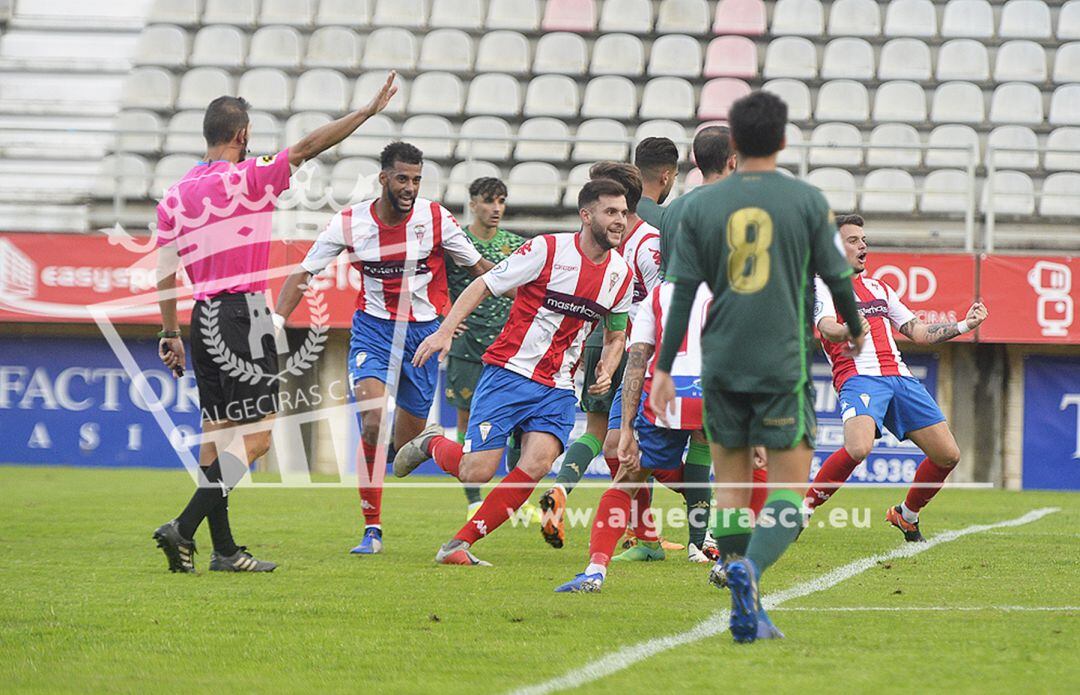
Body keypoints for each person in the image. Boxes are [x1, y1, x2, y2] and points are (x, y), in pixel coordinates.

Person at [153, 72, 399, 573]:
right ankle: (181, 526)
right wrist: (366, 113)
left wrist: (170, 333)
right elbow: (309, 145)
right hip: (242, 314)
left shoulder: (175, 195)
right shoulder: (250, 175)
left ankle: (222, 551)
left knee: (216, 434)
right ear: (241, 135)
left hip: (201, 318)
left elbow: (164, 273)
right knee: (259, 437)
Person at [651, 90, 865, 642]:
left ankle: (736, 577)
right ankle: (749, 571)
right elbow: (839, 280)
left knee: (731, 491)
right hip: (781, 365)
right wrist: (856, 326)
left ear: (735, 145)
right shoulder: (807, 201)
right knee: (789, 493)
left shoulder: (696, 207)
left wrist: (665, 367)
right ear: (784, 139)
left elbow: (679, 295)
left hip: (719, 364)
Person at [392, 178, 634, 567]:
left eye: (623, 213)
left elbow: (615, 333)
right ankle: (431, 443)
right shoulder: (547, 249)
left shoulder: (620, 274)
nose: (620, 220)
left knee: (536, 465)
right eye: (611, 212)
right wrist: (444, 330)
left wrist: (607, 364)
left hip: (557, 387)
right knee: (477, 470)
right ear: (586, 215)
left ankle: (457, 546)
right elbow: (483, 285)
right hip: (509, 373)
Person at [274, 142, 492, 555]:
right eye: (402, 179)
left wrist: (535, 292)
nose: (410, 187)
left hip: (423, 338)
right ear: (383, 178)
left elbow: (481, 271)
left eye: (416, 180)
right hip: (373, 330)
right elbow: (303, 273)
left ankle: (407, 448)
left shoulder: (435, 219)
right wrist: (275, 323)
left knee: (403, 454)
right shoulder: (350, 224)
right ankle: (372, 529)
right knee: (372, 421)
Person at [804, 214, 989, 541]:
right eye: (853, 240)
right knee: (858, 448)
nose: (863, 245)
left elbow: (917, 331)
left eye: (863, 239)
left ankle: (907, 514)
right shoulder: (822, 285)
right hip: (860, 378)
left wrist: (964, 325)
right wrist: (848, 328)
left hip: (899, 377)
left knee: (948, 455)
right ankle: (802, 511)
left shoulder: (879, 287)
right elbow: (826, 327)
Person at [555, 278, 714, 591]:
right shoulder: (738, 288)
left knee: (626, 481)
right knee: (743, 472)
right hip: (714, 390)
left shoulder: (657, 294)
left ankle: (595, 570)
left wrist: (627, 426)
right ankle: (718, 553)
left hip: (665, 392)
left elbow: (637, 361)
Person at [538, 162, 661, 550]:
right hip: (631, 341)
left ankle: (561, 490)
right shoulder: (649, 240)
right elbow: (660, 298)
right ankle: (642, 531)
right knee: (636, 439)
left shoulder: (595, 231)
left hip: (594, 332)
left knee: (595, 432)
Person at [442, 177, 528, 518]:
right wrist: (444, 316)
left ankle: (512, 496)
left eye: (501, 201)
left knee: (518, 420)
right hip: (467, 343)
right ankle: (474, 498)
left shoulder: (517, 245)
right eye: (488, 201)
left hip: (510, 345)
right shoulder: (455, 241)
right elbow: (435, 281)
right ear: (473, 203)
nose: (495, 208)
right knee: (468, 417)